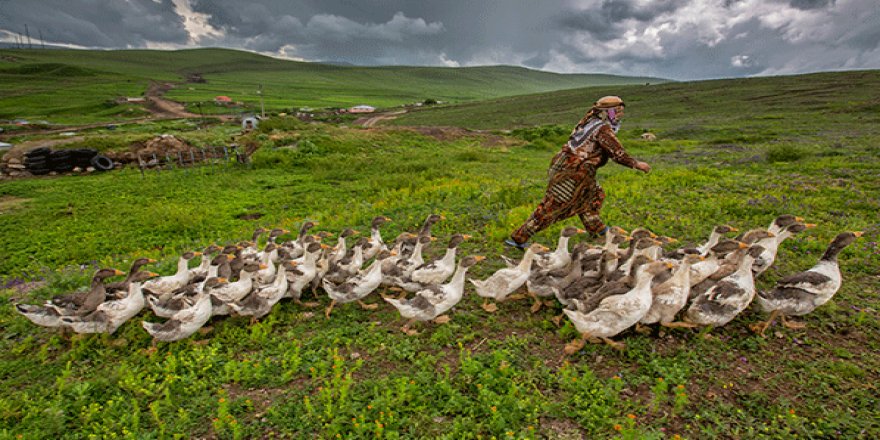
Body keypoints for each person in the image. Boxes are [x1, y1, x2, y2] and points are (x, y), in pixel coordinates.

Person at [505, 95, 651, 250]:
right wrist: (636, 164)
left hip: (574, 169)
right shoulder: (602, 129)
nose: (620, 114)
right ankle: (520, 237)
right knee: (554, 205)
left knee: (593, 195)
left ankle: (598, 229)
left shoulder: (589, 123)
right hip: (573, 172)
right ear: (608, 112)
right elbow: (616, 152)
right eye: (617, 111)